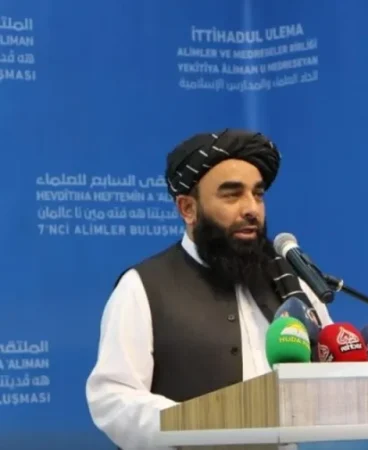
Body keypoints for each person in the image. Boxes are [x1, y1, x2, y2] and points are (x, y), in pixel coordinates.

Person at [86, 129, 333, 450]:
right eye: (232, 195)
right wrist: (193, 424)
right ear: (187, 208)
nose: (251, 209)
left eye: (257, 194)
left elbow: (332, 366)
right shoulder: (142, 286)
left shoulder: (291, 281)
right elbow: (112, 397)